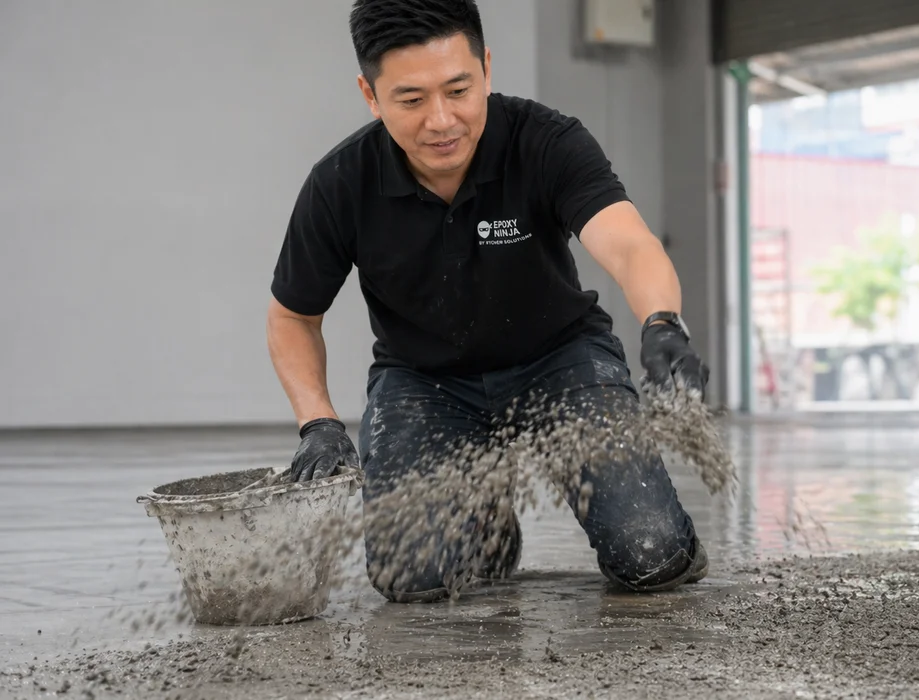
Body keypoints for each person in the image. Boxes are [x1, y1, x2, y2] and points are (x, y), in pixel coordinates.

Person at [266, 0, 709, 603]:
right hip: (427, 383)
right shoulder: (341, 183)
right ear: (371, 95)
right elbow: (294, 315)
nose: (442, 120)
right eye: (411, 99)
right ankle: (488, 528)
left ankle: (668, 542)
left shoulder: (546, 141)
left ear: (486, 69)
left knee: (650, 554)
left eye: (458, 89)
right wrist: (317, 422)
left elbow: (629, 245)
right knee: (410, 576)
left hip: (561, 362)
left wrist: (662, 321)